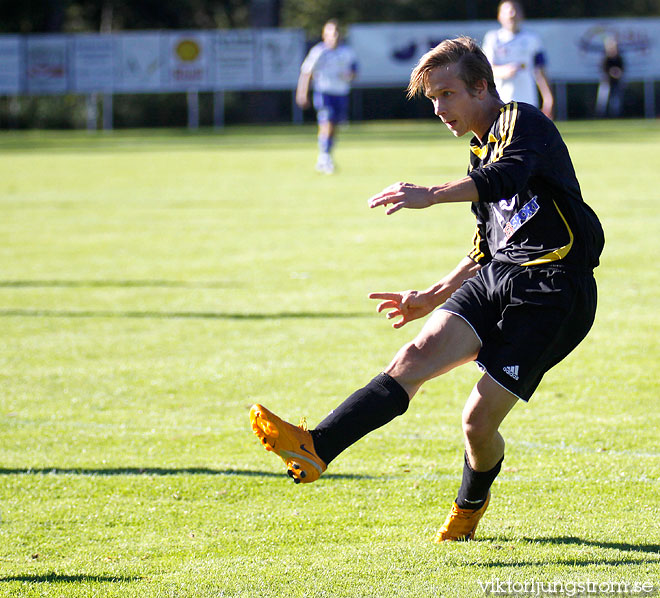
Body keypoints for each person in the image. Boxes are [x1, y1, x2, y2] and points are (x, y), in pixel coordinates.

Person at [250, 36, 604, 542]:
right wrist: (432, 294)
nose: (438, 109)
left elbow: (506, 179)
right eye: (432, 99)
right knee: (413, 356)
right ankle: (315, 447)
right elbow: (486, 243)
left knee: (476, 423)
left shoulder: (522, 122)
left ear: (482, 87)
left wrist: (430, 195)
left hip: (554, 289)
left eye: (446, 94)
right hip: (498, 276)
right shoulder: (478, 151)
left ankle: (469, 506)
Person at [296, 19, 358, 174]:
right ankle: (324, 157)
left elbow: (354, 72)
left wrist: (349, 75)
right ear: (325, 35)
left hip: (341, 93)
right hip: (324, 92)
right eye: (331, 32)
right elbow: (306, 73)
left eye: (337, 32)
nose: (335, 36)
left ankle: (326, 155)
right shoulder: (319, 52)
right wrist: (302, 93)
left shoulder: (347, 52)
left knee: (334, 126)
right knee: (327, 123)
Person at [482, 1, 554, 120]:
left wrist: (548, 98)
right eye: (508, 11)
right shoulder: (493, 39)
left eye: (515, 10)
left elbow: (540, 71)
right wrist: (504, 71)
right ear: (500, 16)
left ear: (522, 15)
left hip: (528, 100)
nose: (512, 14)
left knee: (529, 136)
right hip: (501, 100)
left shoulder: (532, 39)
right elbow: (486, 69)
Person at [595, 37, 625, 118]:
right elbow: (603, 70)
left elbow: (622, 69)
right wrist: (611, 73)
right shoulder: (605, 58)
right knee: (603, 100)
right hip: (606, 81)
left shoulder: (619, 58)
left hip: (616, 82)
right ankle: (600, 115)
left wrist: (617, 73)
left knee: (615, 100)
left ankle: (615, 115)